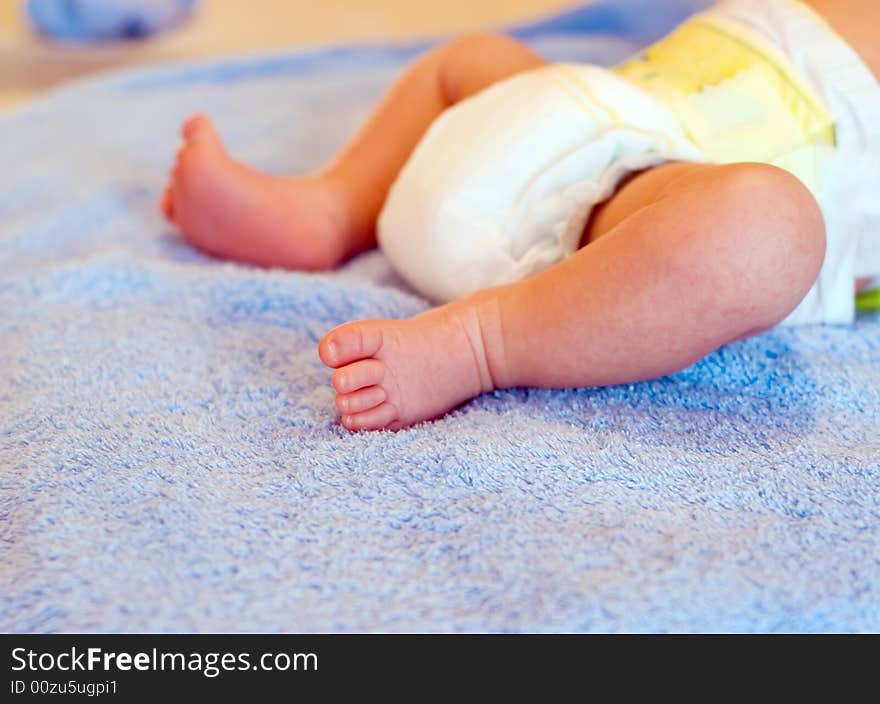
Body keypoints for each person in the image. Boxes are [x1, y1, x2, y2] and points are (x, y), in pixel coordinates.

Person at [160, 0, 879, 431]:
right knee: (472, 58)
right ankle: (330, 208)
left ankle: (484, 342)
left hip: (629, 215)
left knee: (764, 225)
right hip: (571, 114)